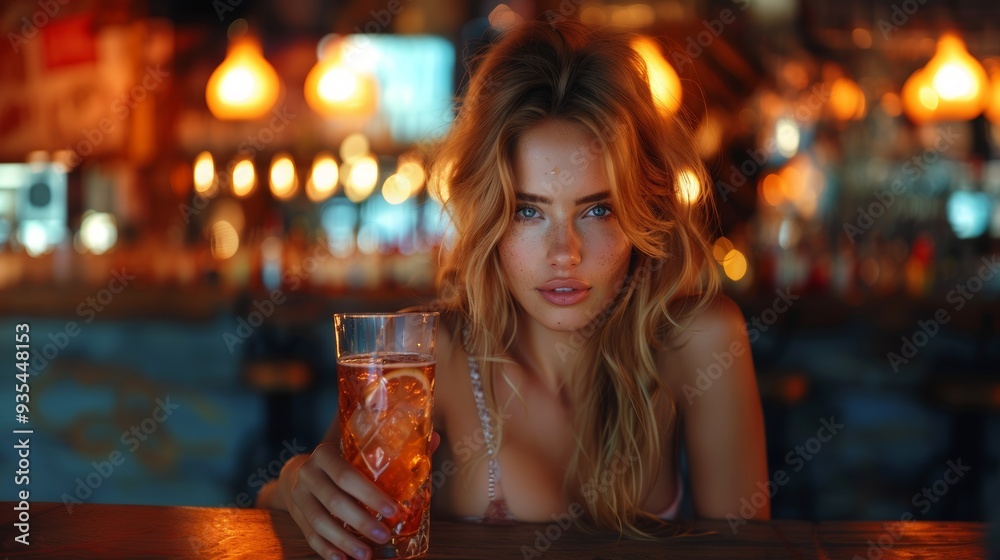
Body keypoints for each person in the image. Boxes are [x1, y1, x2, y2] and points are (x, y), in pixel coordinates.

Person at [257, 15, 769, 560]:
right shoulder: (427, 354)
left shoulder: (701, 341)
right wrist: (294, 481)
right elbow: (307, 501)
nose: (564, 253)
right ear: (488, 218)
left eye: (598, 209)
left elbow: (746, 551)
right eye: (528, 211)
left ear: (645, 211)